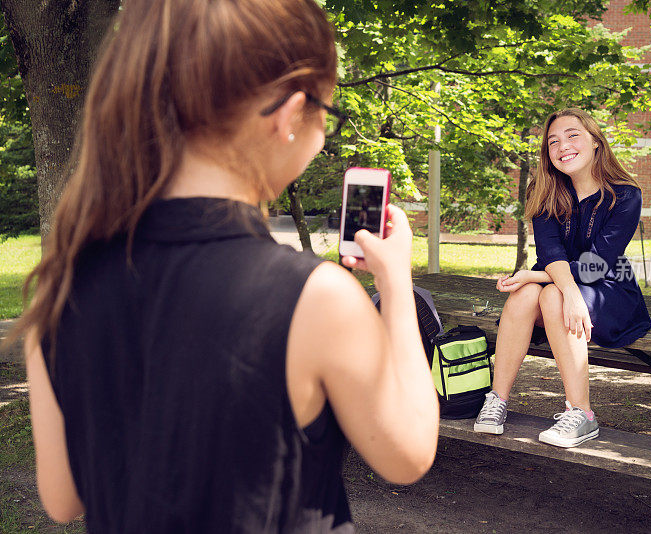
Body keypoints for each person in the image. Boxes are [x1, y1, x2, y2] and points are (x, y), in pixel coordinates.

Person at [10, 1, 439, 532]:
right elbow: (409, 451)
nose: (323, 135)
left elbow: (61, 497)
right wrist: (397, 285)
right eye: (327, 115)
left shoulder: (59, 288)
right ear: (288, 115)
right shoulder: (314, 297)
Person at [473, 108, 651, 448]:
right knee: (527, 294)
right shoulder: (543, 191)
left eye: (572, 135)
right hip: (560, 287)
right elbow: (551, 253)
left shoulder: (625, 194)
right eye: (553, 141)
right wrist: (554, 284)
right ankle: (497, 399)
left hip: (610, 289)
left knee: (548, 292)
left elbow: (596, 265)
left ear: (596, 142)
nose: (562, 146)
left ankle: (582, 413)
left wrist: (543, 280)